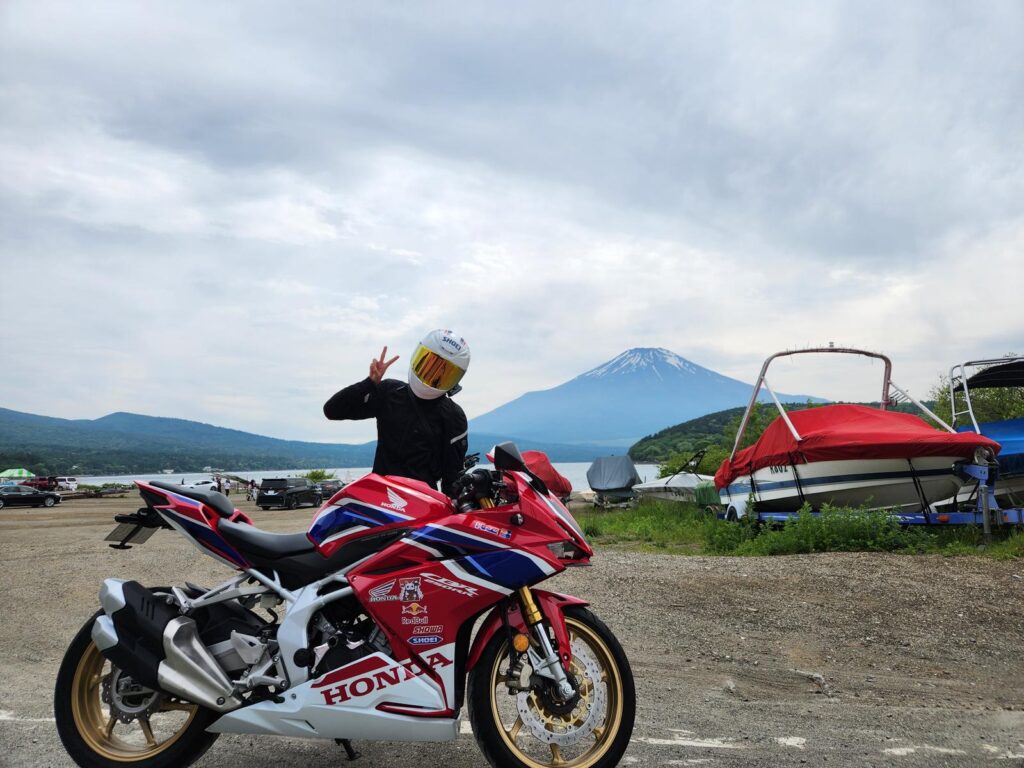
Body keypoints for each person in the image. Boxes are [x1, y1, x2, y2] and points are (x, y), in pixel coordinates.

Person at [324, 330, 470, 497]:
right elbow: (332, 410)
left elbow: (453, 480)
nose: (433, 376)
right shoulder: (389, 391)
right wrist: (369, 383)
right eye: (429, 365)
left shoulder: (453, 415)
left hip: (420, 503)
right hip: (382, 499)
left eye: (444, 373)